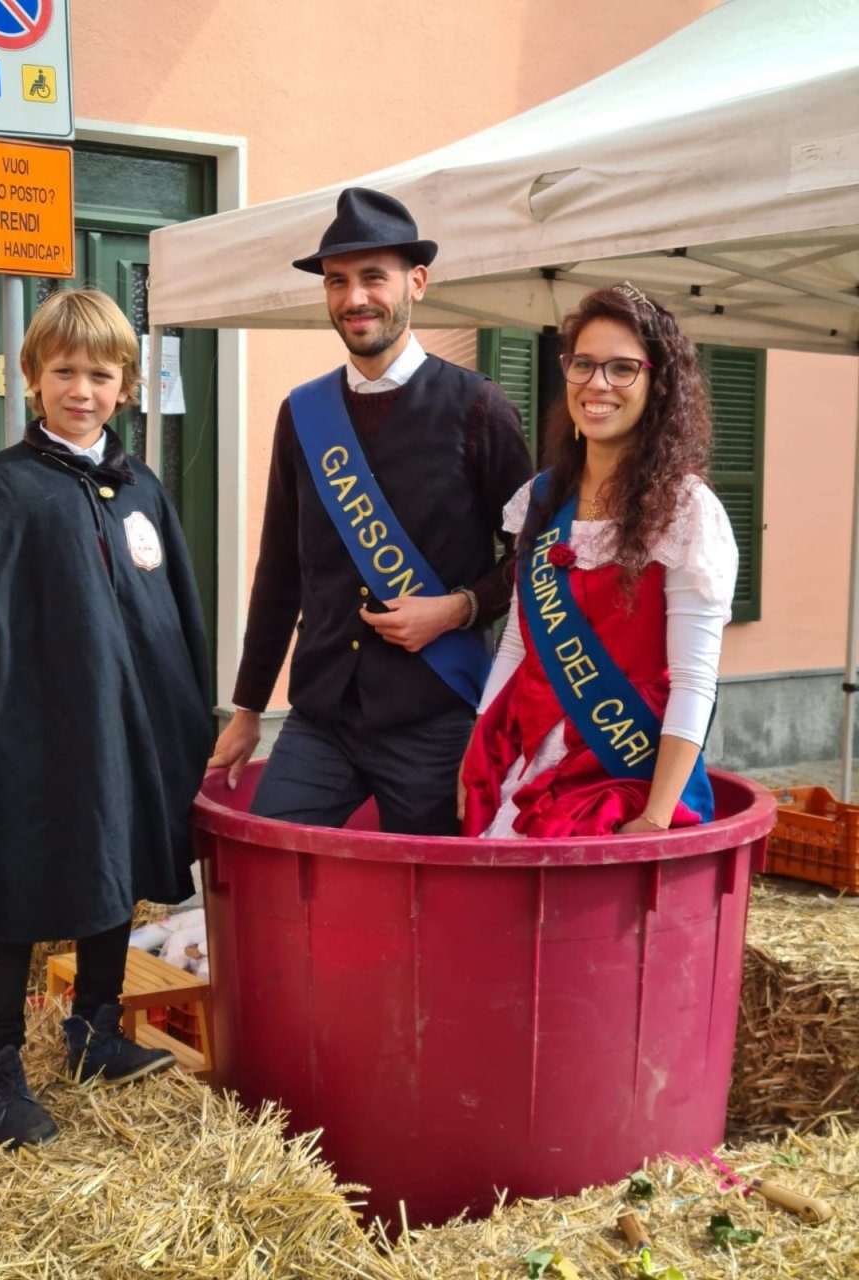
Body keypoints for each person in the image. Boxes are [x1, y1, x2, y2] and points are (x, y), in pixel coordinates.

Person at [0, 289, 214, 1148]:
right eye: (64, 371)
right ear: (32, 378)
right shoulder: (7, 490)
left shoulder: (138, 485)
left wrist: (181, 711)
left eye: (101, 374)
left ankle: (94, 1030)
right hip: (29, 734)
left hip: (121, 727)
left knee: (110, 859)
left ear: (126, 386)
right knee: (17, 880)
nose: (82, 389)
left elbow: (168, 612)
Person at [210, 187, 533, 835]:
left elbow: (536, 559)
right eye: (337, 282)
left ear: (416, 282)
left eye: (372, 278)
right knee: (276, 873)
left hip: (436, 716)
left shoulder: (479, 408)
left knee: (434, 905)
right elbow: (280, 571)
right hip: (321, 716)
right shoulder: (303, 413)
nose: (354, 298)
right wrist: (246, 707)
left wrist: (460, 608)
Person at [460, 283, 738, 839]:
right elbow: (518, 644)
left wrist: (655, 818)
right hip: (524, 759)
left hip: (623, 773)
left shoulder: (686, 510)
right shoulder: (539, 498)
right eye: (583, 364)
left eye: (622, 368)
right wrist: (475, 763)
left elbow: (693, 682)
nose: (597, 383)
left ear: (658, 383)